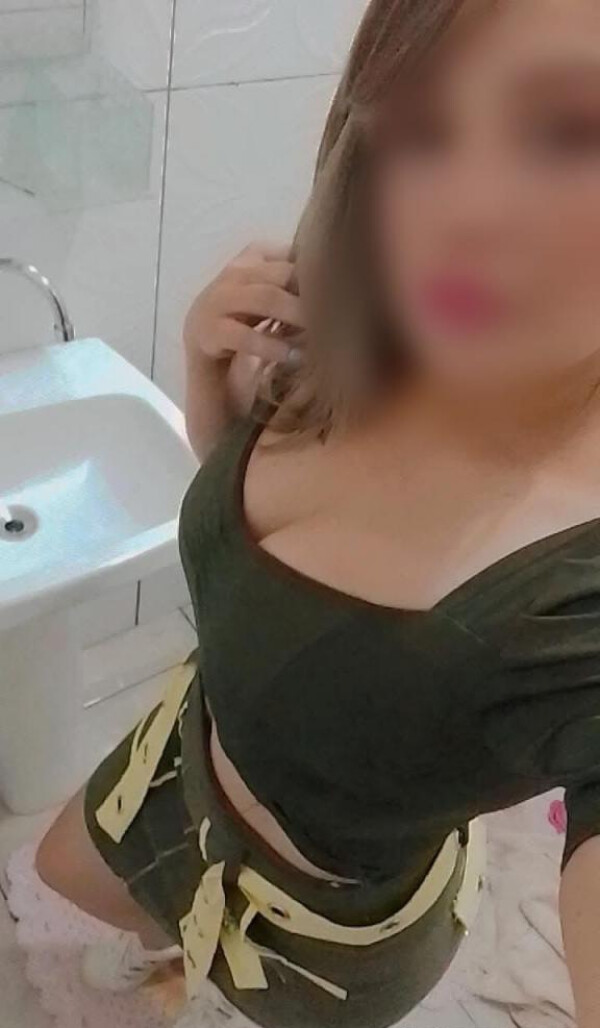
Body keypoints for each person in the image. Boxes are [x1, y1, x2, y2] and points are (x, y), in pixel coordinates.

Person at [34, 0, 600, 1026]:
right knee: (56, 873)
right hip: (178, 761)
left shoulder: (580, 598)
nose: (462, 209)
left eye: (570, 131)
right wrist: (210, 383)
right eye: (423, 127)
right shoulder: (371, 332)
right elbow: (250, 549)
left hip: (315, 938)